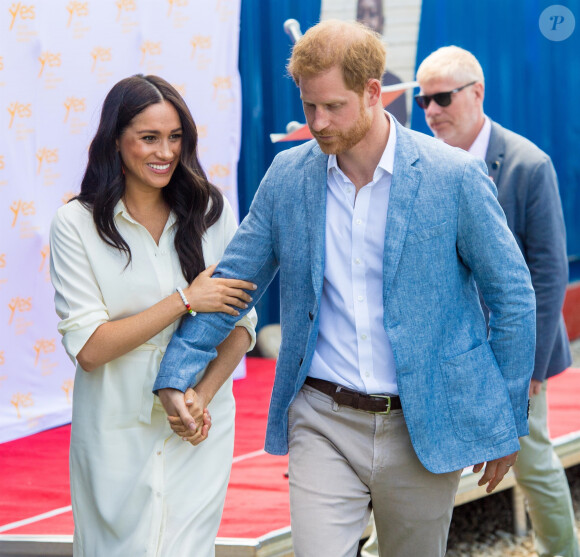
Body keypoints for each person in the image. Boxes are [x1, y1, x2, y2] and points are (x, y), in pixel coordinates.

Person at [155, 21, 536, 557]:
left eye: (332, 106)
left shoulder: (454, 178)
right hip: (321, 418)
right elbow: (232, 284)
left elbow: (513, 297)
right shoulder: (288, 177)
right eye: (309, 106)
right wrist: (177, 372)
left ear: (373, 91)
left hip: (423, 423)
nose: (317, 122)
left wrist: (505, 418)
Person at [49, 74, 257, 557]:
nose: (165, 151)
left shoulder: (212, 209)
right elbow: (90, 348)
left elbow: (241, 325)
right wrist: (185, 300)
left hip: (197, 426)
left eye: (175, 136)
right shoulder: (75, 225)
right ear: (114, 141)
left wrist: (200, 398)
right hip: (114, 429)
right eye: (149, 137)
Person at [415, 45, 579, 557]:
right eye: (423, 101)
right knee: (415, 472)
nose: (431, 111)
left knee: (532, 464)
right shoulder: (423, 163)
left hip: (510, 351)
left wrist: (529, 363)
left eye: (442, 97)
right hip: (443, 351)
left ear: (477, 93)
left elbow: (549, 271)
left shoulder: (529, 164)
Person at [356, 0, 408, 125]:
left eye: (372, 14)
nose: (365, 21)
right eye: (360, 14)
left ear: (382, 22)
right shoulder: (343, 80)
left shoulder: (396, 85)